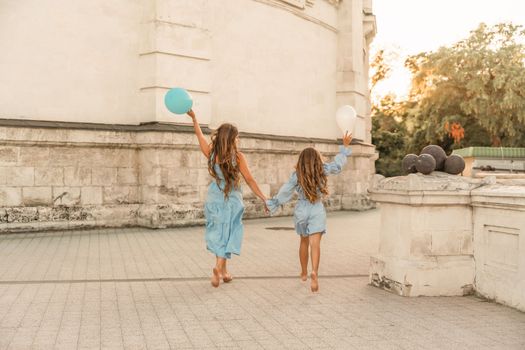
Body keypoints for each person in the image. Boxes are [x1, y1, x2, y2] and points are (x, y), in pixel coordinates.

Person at [187, 110, 268, 287]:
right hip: (231, 200)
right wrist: (263, 198)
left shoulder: (210, 153)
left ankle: (224, 272)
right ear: (232, 139)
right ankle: (217, 268)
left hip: (214, 198)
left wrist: (194, 119)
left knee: (219, 233)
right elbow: (250, 180)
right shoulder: (238, 157)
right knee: (229, 233)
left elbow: (199, 135)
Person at [266, 132, 352, 292]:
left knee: (304, 242)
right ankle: (315, 273)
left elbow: (285, 191)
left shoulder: (296, 175)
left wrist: (274, 203)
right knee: (315, 245)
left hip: (301, 209)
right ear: (318, 159)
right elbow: (338, 165)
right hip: (316, 208)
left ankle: (304, 272)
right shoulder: (323, 169)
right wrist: (344, 147)